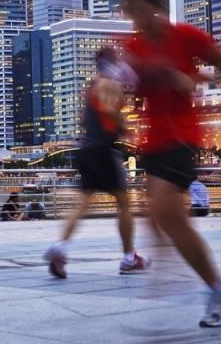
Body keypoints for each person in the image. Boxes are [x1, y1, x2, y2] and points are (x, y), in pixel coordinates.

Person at [121, 0, 221, 328]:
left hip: (182, 136)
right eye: (128, 10)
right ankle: (211, 284)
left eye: (135, 8)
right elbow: (130, 88)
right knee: (162, 217)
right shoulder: (133, 46)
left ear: (154, 7)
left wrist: (193, 78)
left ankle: (213, 287)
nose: (132, 16)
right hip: (153, 141)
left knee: (164, 212)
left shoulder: (186, 37)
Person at [44, 48, 148, 279]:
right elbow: (110, 111)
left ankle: (60, 247)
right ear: (114, 63)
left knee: (82, 203)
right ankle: (129, 258)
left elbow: (83, 119)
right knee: (123, 203)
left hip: (86, 148)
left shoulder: (91, 86)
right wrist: (124, 128)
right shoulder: (110, 85)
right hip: (104, 149)